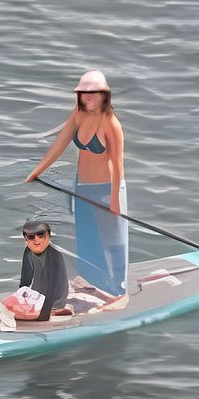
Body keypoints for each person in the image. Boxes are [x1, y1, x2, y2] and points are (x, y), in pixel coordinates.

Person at [25, 70, 128, 305]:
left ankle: (119, 291)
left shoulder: (111, 124)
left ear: (104, 95)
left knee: (111, 239)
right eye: (83, 93)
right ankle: (92, 279)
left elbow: (118, 163)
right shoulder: (79, 115)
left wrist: (114, 200)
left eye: (93, 93)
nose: (87, 97)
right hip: (82, 185)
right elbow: (59, 142)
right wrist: (37, 171)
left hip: (106, 188)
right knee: (87, 236)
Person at [0, 219, 69, 323]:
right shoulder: (28, 252)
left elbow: (60, 286)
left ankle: (54, 310)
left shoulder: (56, 255)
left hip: (55, 302)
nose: (36, 240)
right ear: (26, 239)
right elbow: (25, 281)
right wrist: (21, 299)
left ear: (49, 236)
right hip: (36, 297)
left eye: (41, 235)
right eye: (31, 237)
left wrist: (47, 312)